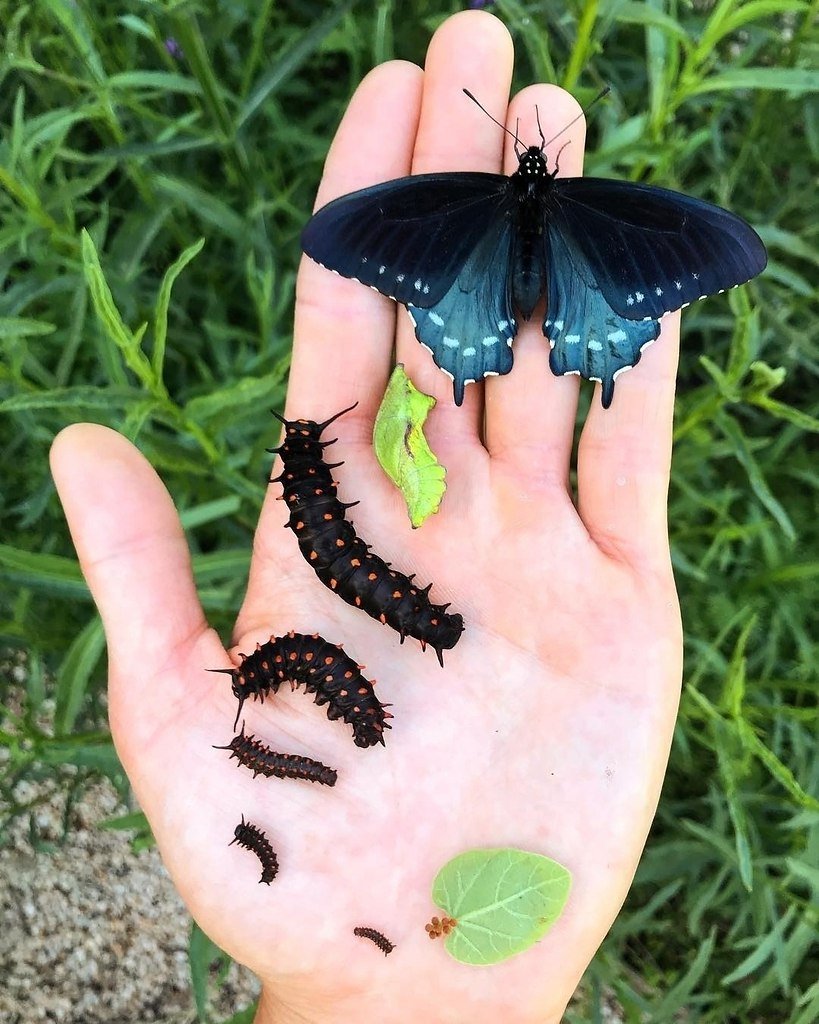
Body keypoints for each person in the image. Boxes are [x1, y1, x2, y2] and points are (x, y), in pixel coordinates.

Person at [50, 10, 683, 1024]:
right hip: (504, 342)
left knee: (358, 548)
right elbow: (339, 559)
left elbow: (342, 559)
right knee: (356, 551)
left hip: (453, 354)